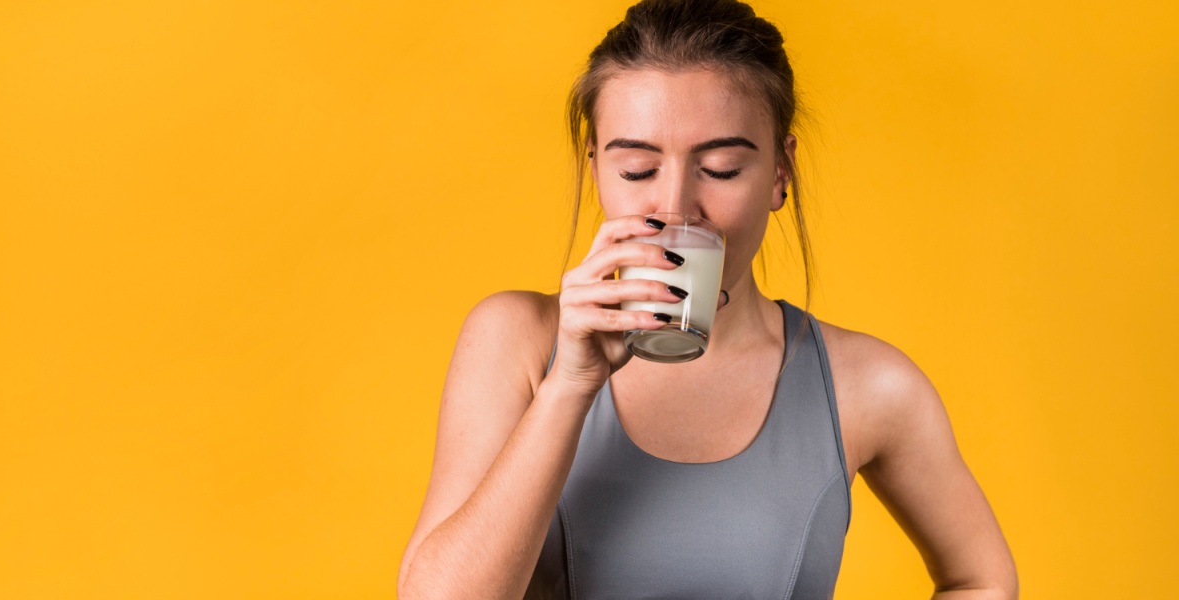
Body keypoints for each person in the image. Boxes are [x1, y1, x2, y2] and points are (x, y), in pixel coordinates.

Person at [398, 0, 1017, 598]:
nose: (675, 208)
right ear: (595, 170)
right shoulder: (518, 342)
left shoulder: (868, 385)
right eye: (637, 170)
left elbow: (982, 579)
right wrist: (570, 386)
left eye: (720, 168)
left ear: (780, 173)